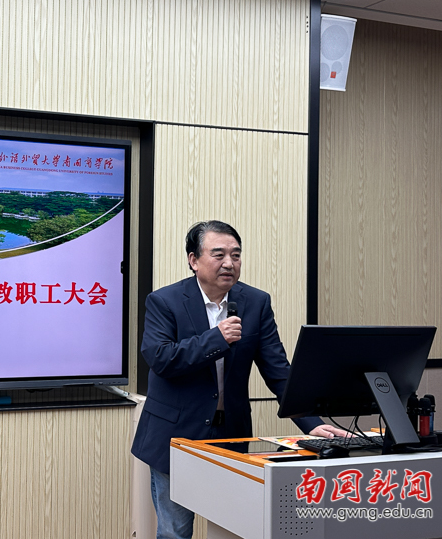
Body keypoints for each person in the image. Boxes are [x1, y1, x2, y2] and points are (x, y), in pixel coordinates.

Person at [131, 220, 346, 539]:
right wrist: (216, 338)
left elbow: (278, 370)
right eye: (218, 254)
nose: (229, 263)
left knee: (232, 525)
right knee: (175, 530)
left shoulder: (255, 302)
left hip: (231, 432)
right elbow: (161, 359)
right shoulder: (165, 301)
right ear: (193, 260)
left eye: (236, 255)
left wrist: (310, 422)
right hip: (176, 434)